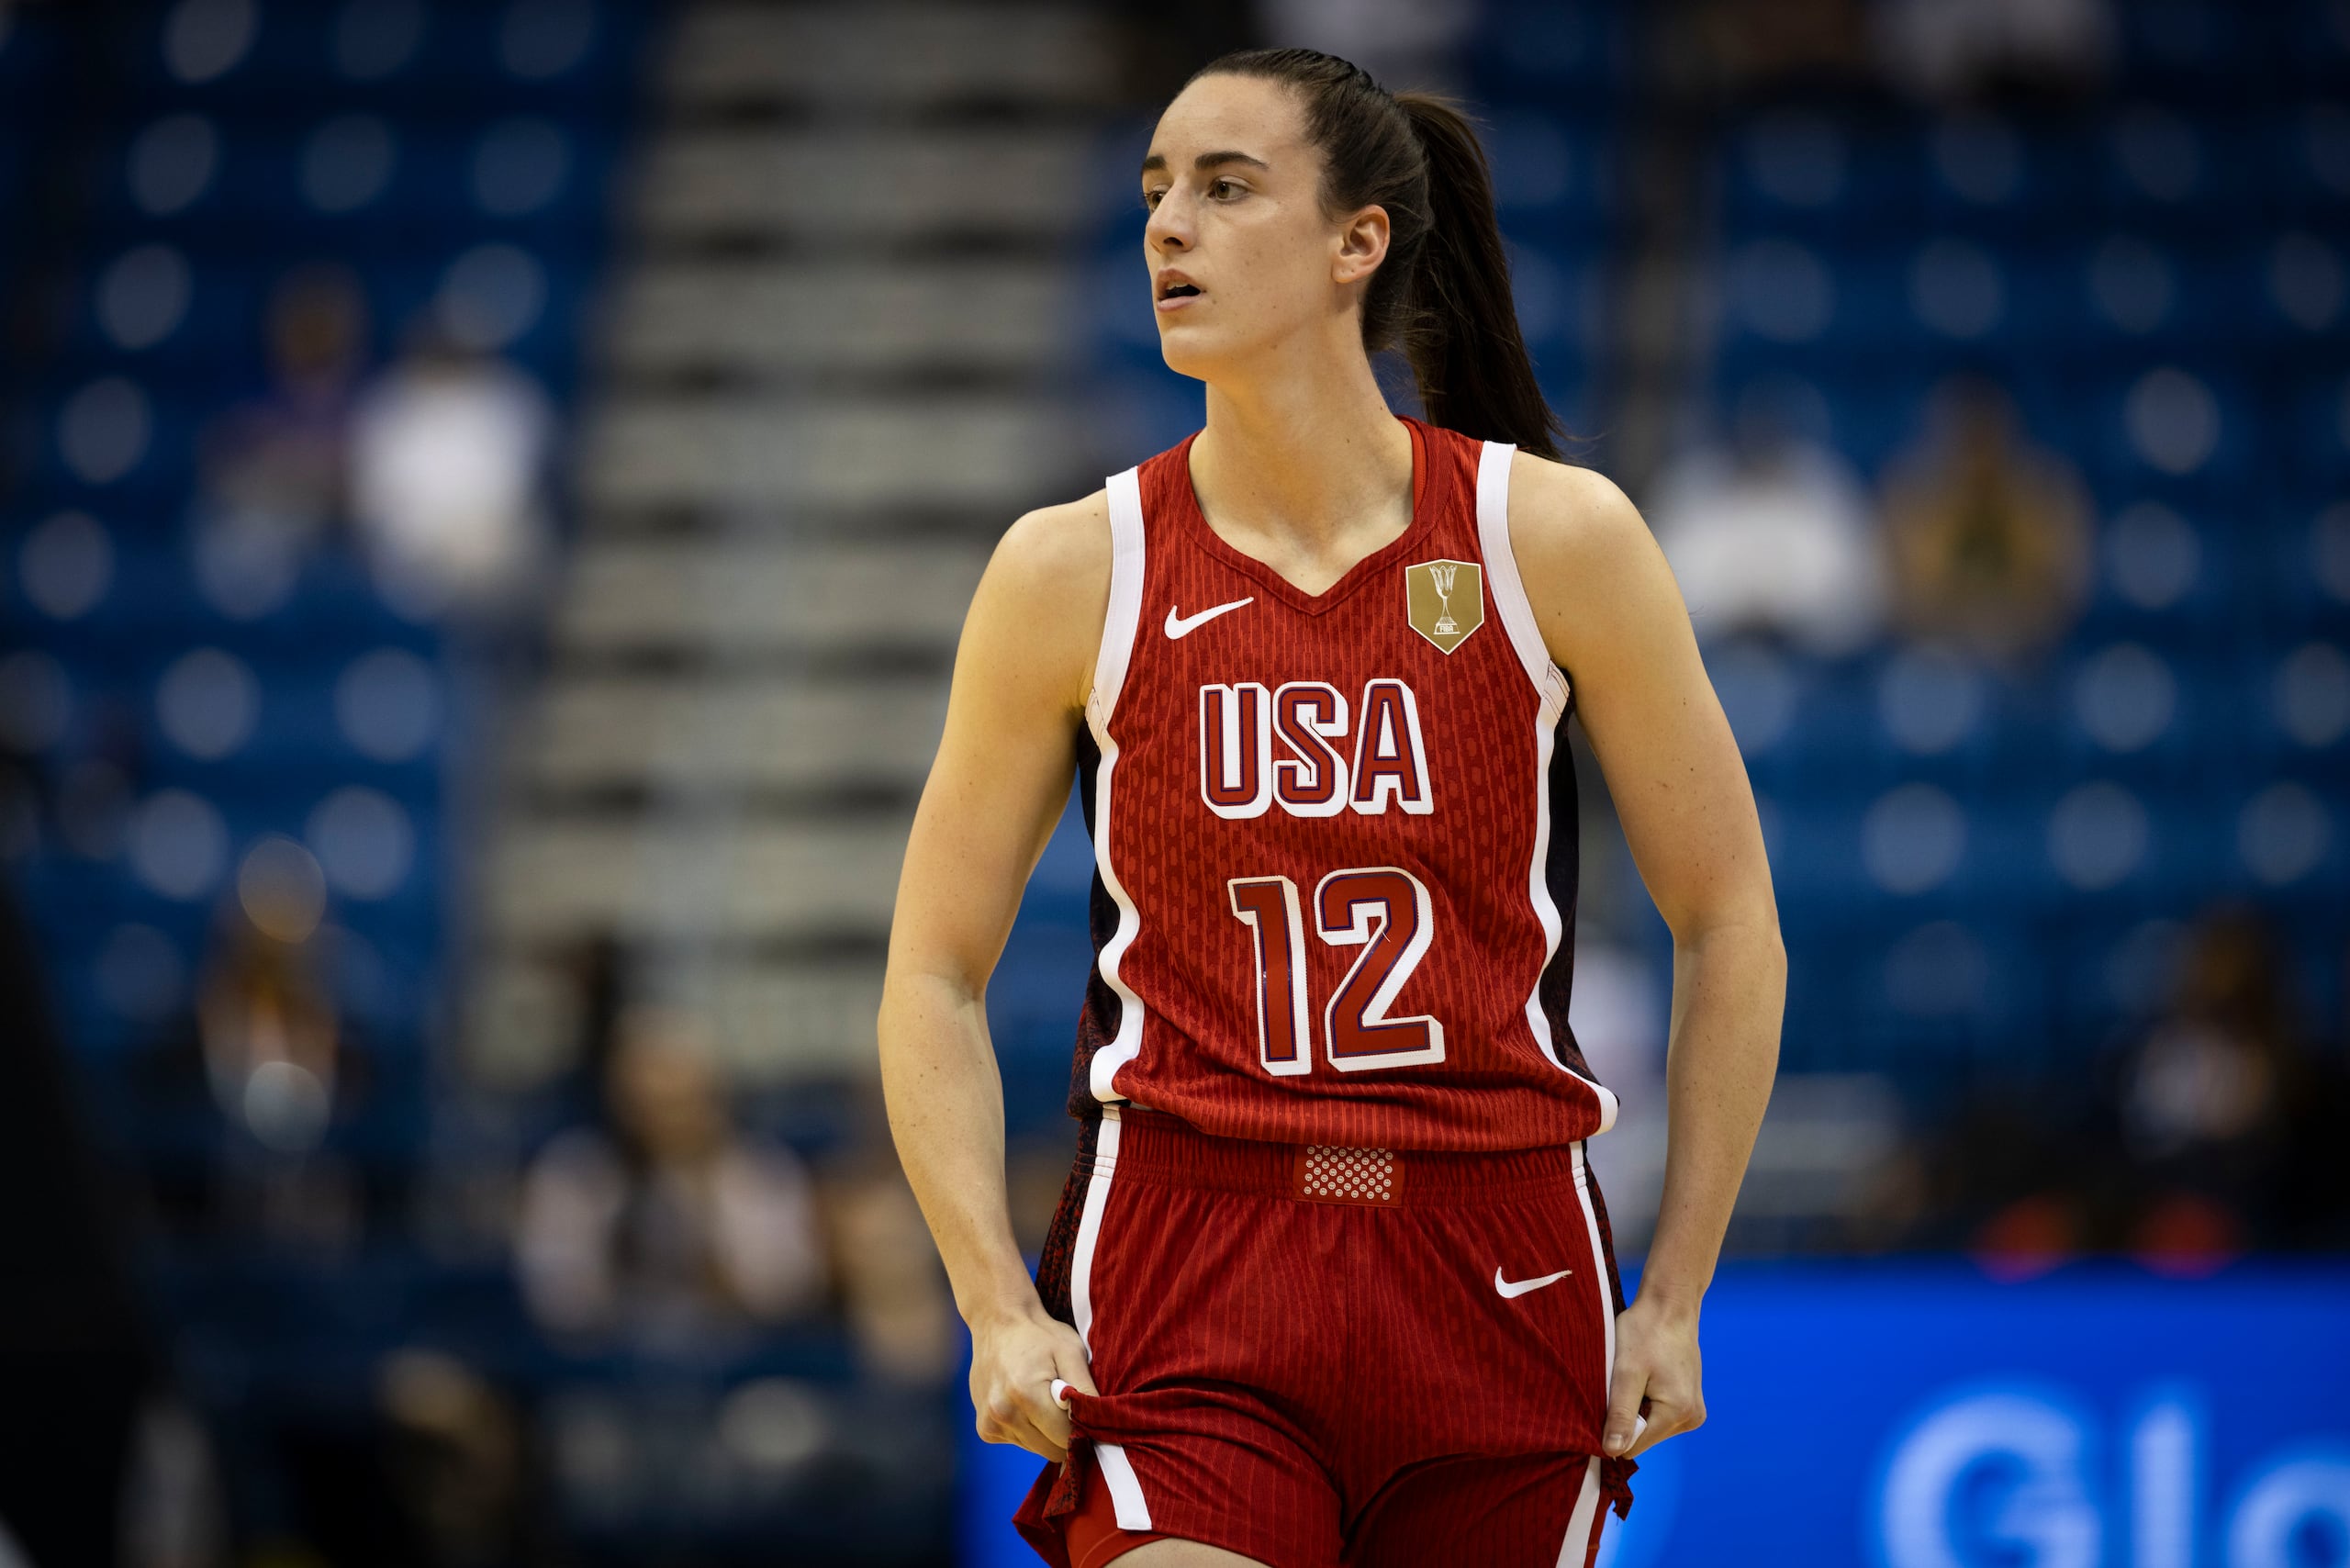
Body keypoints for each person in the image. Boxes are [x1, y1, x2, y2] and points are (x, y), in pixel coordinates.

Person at [878, 49, 1783, 1568]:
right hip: (1192, 1246)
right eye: (1156, 191)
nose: (1169, 226)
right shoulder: (1071, 568)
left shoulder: (1550, 538)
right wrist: (988, 1298)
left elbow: (1729, 918)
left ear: (1358, 241)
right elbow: (929, 970)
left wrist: (1678, 1293)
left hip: (1492, 1257)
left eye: (1227, 190)